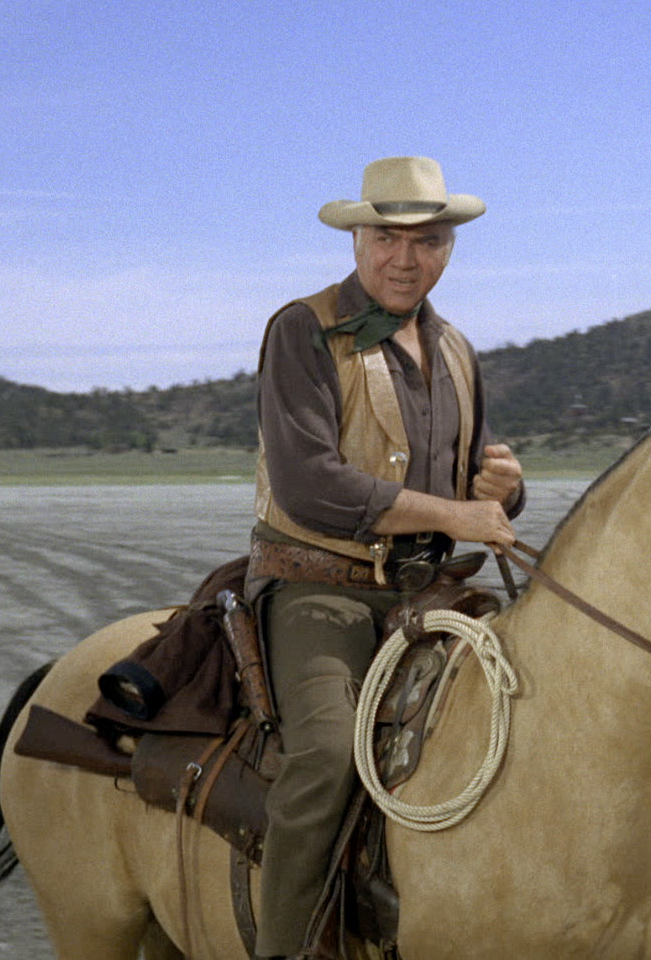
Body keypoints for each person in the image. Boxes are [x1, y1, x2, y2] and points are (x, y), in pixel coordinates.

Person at [247, 156, 524, 959]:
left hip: (431, 590)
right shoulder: (301, 329)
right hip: (318, 589)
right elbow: (310, 485)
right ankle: (284, 951)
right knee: (330, 755)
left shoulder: (459, 350)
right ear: (358, 241)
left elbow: (467, 490)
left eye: (428, 242)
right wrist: (463, 513)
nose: (407, 261)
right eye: (388, 241)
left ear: (449, 248)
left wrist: (503, 491)